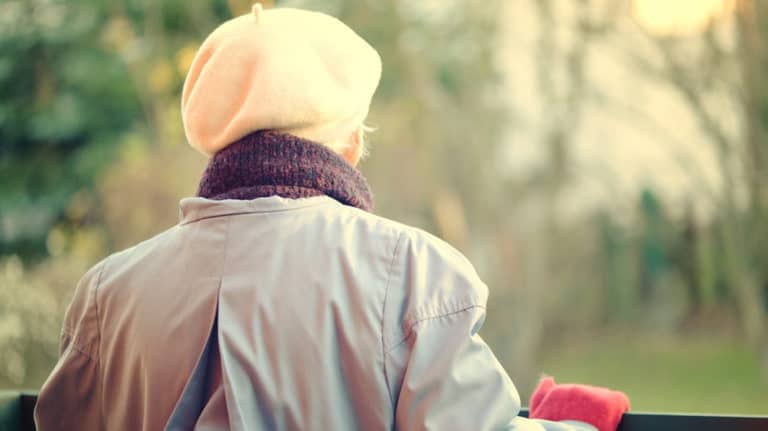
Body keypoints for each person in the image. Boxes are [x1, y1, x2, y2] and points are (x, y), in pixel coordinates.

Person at [35, 5, 629, 431]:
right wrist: (570, 425)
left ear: (214, 142)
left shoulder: (106, 294)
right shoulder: (416, 275)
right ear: (350, 143)